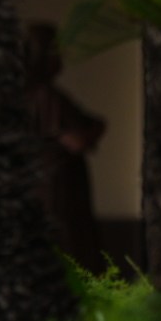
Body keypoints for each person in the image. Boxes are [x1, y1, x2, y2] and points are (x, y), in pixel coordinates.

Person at [24, 23, 105, 266]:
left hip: (44, 186)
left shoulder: (29, 95)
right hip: (57, 190)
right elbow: (75, 141)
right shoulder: (45, 96)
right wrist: (94, 130)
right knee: (67, 247)